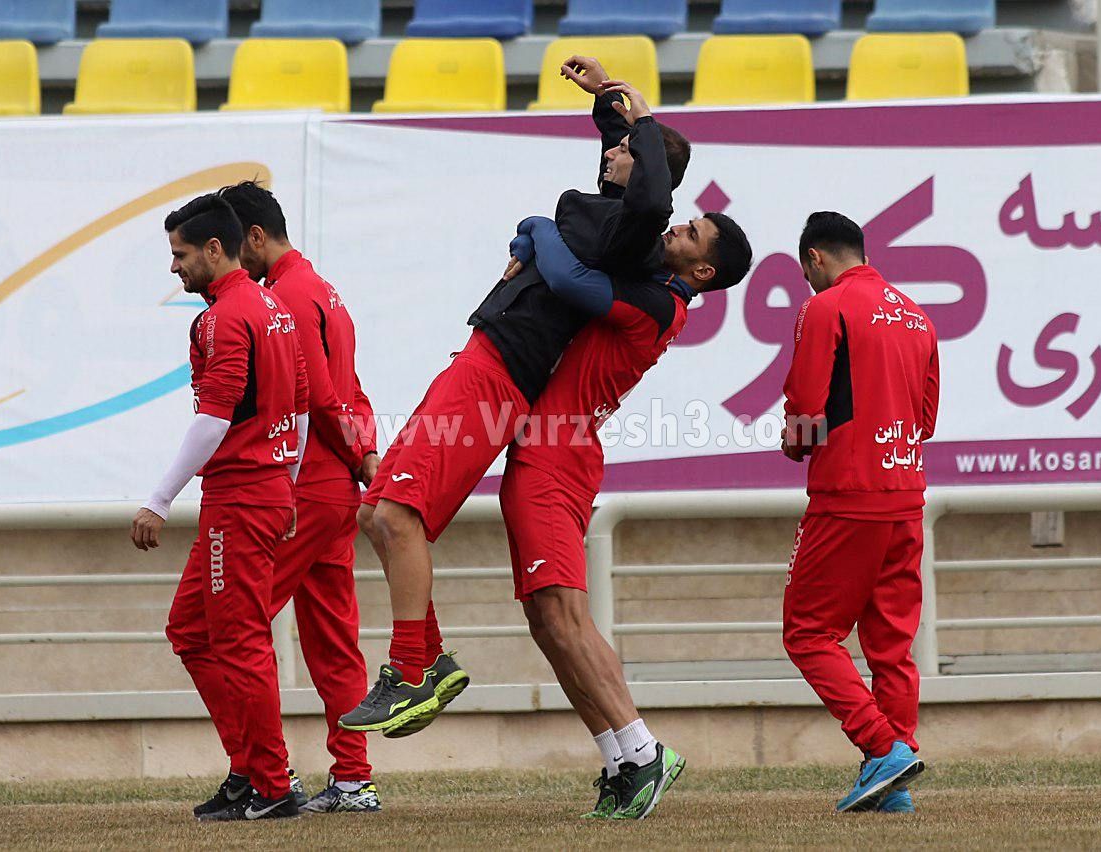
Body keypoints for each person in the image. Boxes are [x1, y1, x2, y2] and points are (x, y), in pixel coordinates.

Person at [338, 62, 689, 739]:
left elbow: (646, 202)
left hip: (499, 372)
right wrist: (610, 90)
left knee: (401, 515)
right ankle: (426, 660)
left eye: (626, 148)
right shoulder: (607, 215)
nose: (613, 148)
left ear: (646, 170)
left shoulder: (637, 233)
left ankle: (412, 671)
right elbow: (615, 160)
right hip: (480, 359)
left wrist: (537, 223)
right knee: (376, 513)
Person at [501, 209, 752, 821]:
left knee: (564, 618)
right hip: (550, 452)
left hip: (555, 458)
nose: (674, 229)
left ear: (703, 268)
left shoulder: (660, 305)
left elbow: (564, 276)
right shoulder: (656, 291)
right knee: (546, 622)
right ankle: (620, 760)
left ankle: (643, 752)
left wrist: (535, 223)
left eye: (690, 234)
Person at [130, 194, 309, 821]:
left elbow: (213, 419)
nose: (173, 268)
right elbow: (303, 411)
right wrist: (287, 480)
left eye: (179, 254)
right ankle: (250, 767)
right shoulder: (276, 308)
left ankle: (271, 782)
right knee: (192, 629)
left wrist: (158, 501)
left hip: (238, 495)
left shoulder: (223, 317)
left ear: (213, 248)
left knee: (239, 639)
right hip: (264, 489)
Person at [218, 180, 382, 815]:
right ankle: (351, 779)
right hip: (335, 489)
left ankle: (263, 778)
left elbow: (317, 396)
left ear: (254, 237)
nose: (231, 256)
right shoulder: (325, 291)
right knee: (333, 638)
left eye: (236, 243)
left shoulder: (283, 295)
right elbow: (352, 390)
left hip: (304, 486)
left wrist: (355, 453)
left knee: (236, 626)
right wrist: (365, 456)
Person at [779, 211, 940, 814]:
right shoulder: (917, 317)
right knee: (889, 647)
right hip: (906, 496)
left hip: (849, 494)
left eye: (806, 273)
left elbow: (805, 404)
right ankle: (892, 787)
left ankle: (883, 750)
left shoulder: (825, 309)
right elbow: (925, 420)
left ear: (815, 258)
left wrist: (795, 442)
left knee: (807, 631)